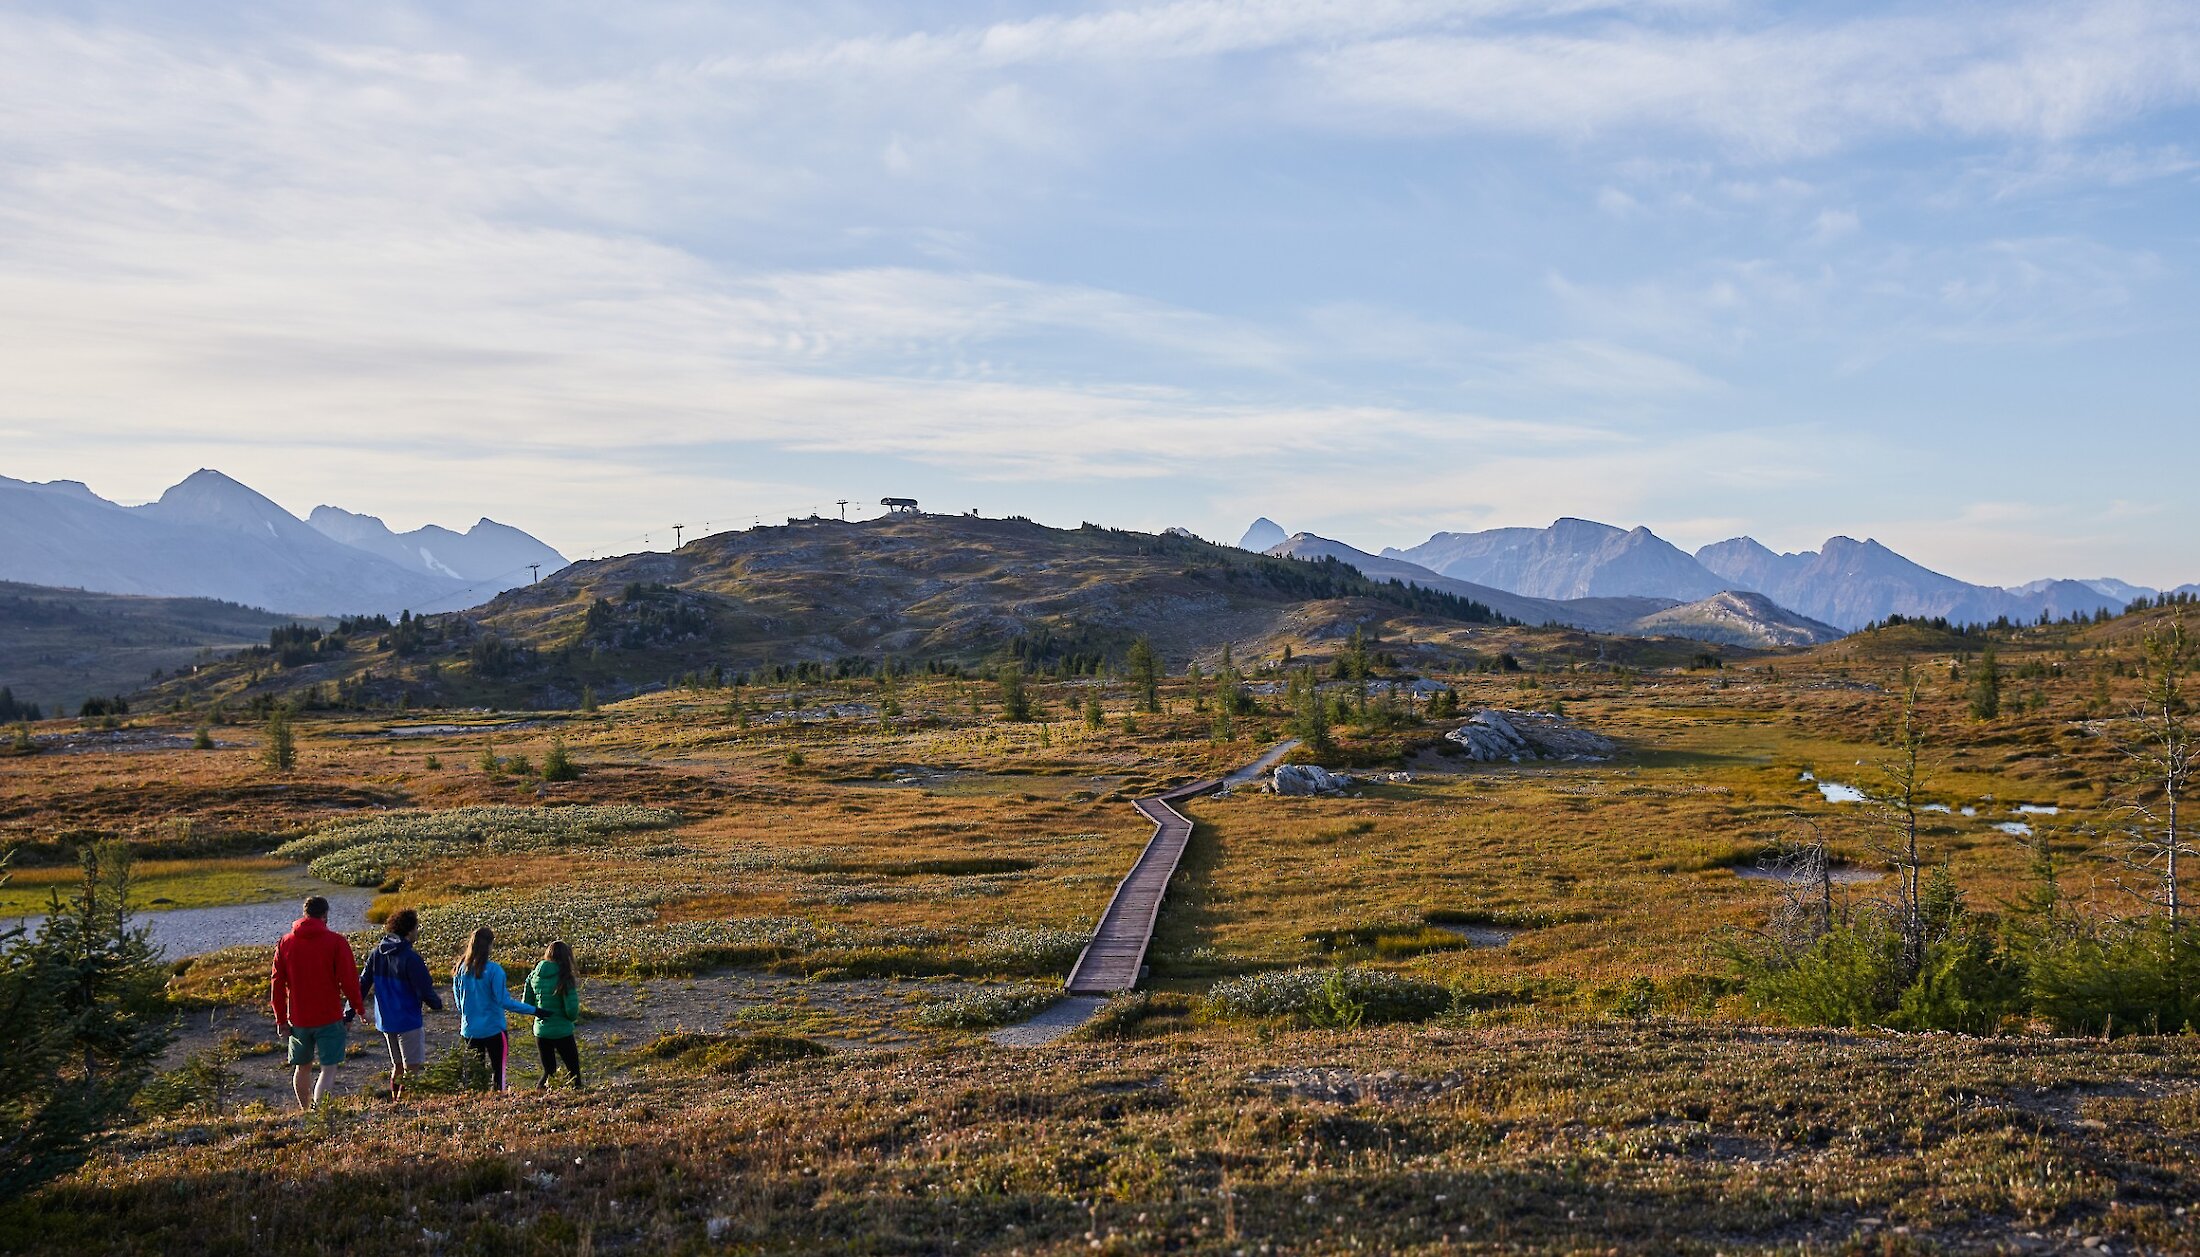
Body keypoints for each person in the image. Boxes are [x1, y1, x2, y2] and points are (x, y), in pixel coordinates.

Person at [270, 895, 366, 1112]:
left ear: (305, 914)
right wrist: (358, 1008)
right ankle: (318, 1112)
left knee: (302, 1067)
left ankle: (304, 1110)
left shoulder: (286, 942)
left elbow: (276, 984)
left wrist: (281, 1019)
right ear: (325, 915)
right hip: (329, 1016)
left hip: (299, 1018)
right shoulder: (336, 942)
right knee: (328, 1068)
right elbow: (349, 980)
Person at [359, 907, 443, 1100]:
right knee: (411, 1066)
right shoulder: (411, 958)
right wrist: (436, 1004)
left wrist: (353, 1009)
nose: (417, 932)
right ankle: (402, 1103)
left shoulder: (376, 953)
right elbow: (424, 988)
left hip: (386, 1020)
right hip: (408, 1020)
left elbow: (363, 983)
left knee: (397, 1065)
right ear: (409, 930)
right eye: (416, 928)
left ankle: (395, 1098)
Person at [451, 926, 538, 1092]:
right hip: (494, 1030)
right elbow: (504, 1001)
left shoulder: (460, 969)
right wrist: (534, 1010)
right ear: (490, 945)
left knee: (476, 1077)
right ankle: (499, 1104)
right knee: (498, 1074)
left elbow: (459, 1004)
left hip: (469, 1030)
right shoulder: (494, 970)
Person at [524, 940, 583, 1089]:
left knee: (549, 1071)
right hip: (562, 1030)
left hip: (541, 1031)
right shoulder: (565, 977)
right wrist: (571, 1018)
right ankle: (580, 1098)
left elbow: (527, 1004)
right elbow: (571, 1010)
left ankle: (538, 1096)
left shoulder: (533, 976)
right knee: (574, 1071)